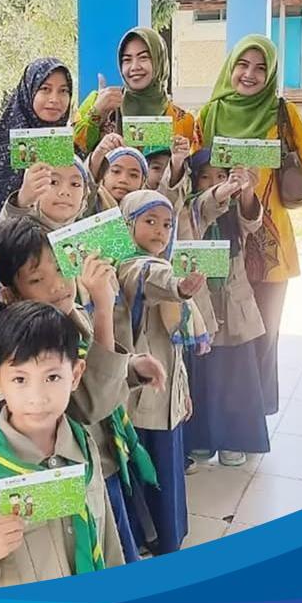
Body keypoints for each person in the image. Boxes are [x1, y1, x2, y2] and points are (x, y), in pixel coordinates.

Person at [0, 215, 164, 563]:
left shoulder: (68, 313)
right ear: (10, 293)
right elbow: (90, 403)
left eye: (60, 268)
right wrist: (104, 308)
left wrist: (131, 368)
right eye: (37, 279)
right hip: (71, 474)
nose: (58, 285)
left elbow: (91, 370)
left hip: (100, 463)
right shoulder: (29, 340)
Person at [195, 35, 302, 415]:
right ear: (231, 67)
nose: (250, 74)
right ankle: (223, 418)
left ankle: (256, 415)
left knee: (264, 332)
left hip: (270, 242)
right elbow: (195, 171)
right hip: (219, 236)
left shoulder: (281, 114)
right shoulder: (210, 113)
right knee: (219, 330)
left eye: (261, 68)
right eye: (243, 65)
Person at [0, 301, 125, 589]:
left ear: (75, 375)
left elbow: (106, 537)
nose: (37, 397)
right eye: (20, 379)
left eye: (52, 377)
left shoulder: (83, 445)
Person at [116, 190, 208, 555]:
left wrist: (183, 390)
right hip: (143, 396)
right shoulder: (129, 266)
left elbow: (175, 346)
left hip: (167, 393)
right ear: (127, 224)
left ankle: (169, 535)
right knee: (148, 472)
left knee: (166, 469)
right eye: (149, 221)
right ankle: (151, 538)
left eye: (167, 224)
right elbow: (150, 278)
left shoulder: (161, 261)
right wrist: (179, 286)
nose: (160, 231)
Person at [182, 150, 269, 467]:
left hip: (235, 308)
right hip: (202, 307)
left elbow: (252, 220)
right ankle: (202, 440)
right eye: (205, 177)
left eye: (221, 176)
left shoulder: (235, 213)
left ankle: (235, 440)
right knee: (202, 379)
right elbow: (201, 209)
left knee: (237, 379)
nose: (214, 183)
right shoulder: (189, 212)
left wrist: (245, 189)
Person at [0, 58, 73, 212]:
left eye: (63, 91)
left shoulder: (65, 145)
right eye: (45, 89)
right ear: (28, 91)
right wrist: (20, 201)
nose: (55, 99)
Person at [0, 156, 88, 230]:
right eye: (53, 182)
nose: (64, 192)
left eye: (75, 184)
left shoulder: (87, 234)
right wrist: (21, 202)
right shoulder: (23, 234)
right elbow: (2, 238)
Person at [85, 137, 148, 214]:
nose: (123, 180)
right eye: (116, 171)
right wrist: (98, 155)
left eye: (133, 175)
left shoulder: (150, 212)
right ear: (103, 175)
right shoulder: (84, 206)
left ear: (142, 182)